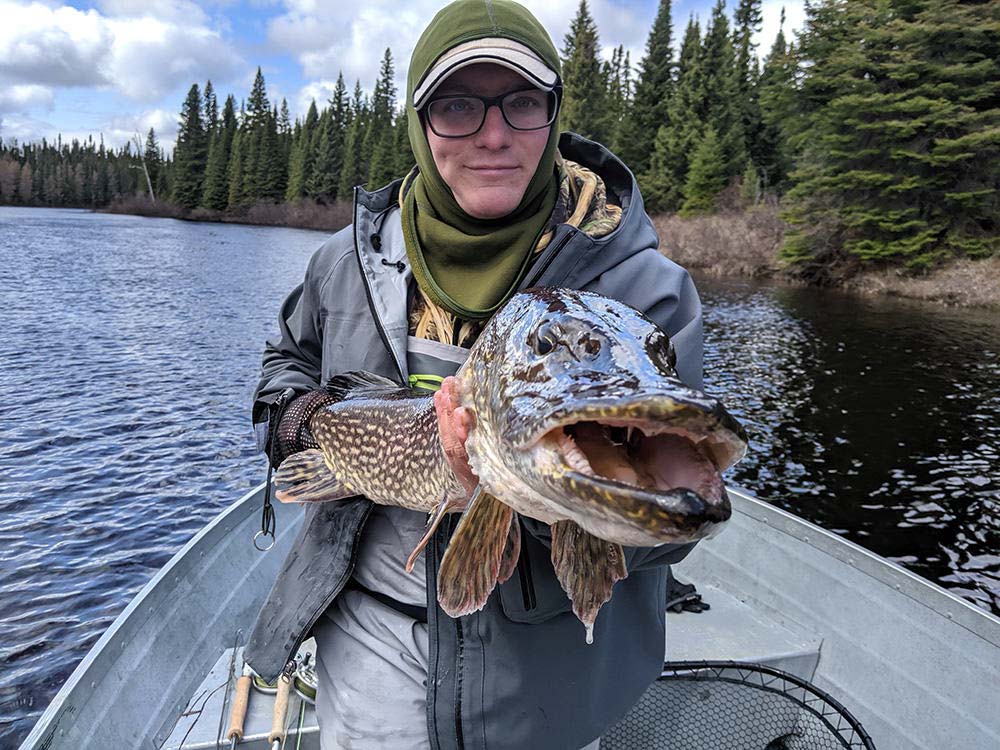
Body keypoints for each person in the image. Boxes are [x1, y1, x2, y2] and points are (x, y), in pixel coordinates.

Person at [245, 1, 704, 748]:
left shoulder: (641, 291)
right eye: (458, 105)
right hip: (369, 639)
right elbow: (284, 363)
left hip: (545, 675)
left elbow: (672, 529)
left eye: (521, 103)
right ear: (422, 124)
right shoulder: (343, 262)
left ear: (553, 115)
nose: (493, 134)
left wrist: (541, 483)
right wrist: (305, 421)